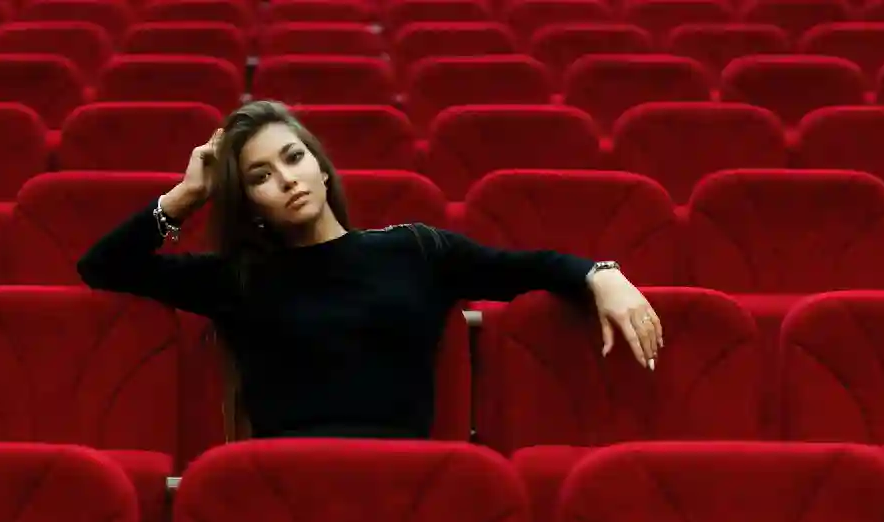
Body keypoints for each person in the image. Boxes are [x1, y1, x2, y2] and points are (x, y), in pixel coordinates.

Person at [77, 100, 663, 440]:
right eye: (259, 177)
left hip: (407, 486)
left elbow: (527, 267)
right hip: (284, 491)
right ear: (250, 204)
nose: (285, 179)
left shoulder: (415, 251)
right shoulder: (236, 278)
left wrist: (601, 274)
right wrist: (184, 196)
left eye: (294, 157)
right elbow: (103, 267)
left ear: (321, 168)